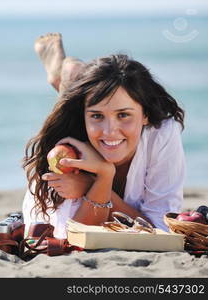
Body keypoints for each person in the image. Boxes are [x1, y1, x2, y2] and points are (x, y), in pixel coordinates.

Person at [22, 33, 186, 238]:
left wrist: (96, 183)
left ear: (145, 114)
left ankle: (67, 79)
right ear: (84, 117)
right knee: (77, 103)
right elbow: (72, 236)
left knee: (95, 99)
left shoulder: (161, 132)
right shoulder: (66, 151)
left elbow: (162, 231)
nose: (110, 131)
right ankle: (67, 81)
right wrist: (103, 178)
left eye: (124, 115)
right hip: (78, 125)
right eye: (97, 116)